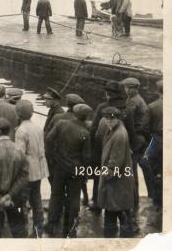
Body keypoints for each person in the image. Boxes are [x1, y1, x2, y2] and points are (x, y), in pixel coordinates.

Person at [44, 103, 93, 237]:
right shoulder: (85, 133)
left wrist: (53, 157)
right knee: (74, 198)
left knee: (56, 194)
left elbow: (48, 139)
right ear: (85, 117)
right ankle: (70, 229)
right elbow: (86, 157)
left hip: (60, 166)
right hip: (75, 170)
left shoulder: (61, 124)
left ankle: (51, 223)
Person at [0, 118, 29, 238]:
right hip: (15, 197)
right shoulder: (19, 150)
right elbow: (24, 176)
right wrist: (10, 195)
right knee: (18, 229)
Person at [97, 107, 135, 237]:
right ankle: (124, 232)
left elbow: (115, 161)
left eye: (112, 118)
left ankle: (117, 237)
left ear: (118, 119)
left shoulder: (119, 135)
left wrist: (106, 176)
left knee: (114, 209)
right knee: (118, 209)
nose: (109, 121)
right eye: (107, 118)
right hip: (118, 181)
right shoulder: (113, 130)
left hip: (116, 180)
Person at [14, 100, 48, 238]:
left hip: (27, 170)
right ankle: (38, 226)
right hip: (39, 168)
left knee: (22, 199)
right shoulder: (38, 128)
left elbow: (19, 154)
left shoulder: (21, 130)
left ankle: (23, 227)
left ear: (18, 113)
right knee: (37, 198)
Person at [121, 77, 149, 211]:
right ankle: (136, 198)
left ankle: (133, 200)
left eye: (127, 88)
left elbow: (130, 124)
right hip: (141, 138)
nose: (125, 90)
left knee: (131, 171)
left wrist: (130, 144)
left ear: (133, 88)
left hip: (135, 139)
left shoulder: (133, 102)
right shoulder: (138, 99)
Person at [142, 80, 163, 211]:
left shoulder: (152, 106)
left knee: (150, 166)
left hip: (157, 140)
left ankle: (157, 201)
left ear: (158, 91)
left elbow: (145, 127)